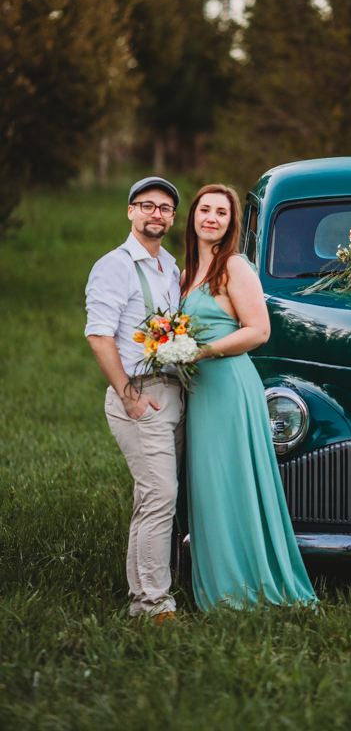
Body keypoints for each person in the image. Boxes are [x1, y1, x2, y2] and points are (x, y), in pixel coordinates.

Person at [181, 183, 317, 610]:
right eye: (205, 209)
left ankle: (242, 585)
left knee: (231, 482)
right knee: (207, 486)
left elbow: (259, 331)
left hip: (229, 387)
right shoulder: (187, 273)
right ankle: (215, 576)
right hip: (199, 392)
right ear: (193, 216)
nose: (212, 218)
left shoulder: (235, 267)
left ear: (231, 224)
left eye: (222, 213)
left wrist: (202, 350)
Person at [85, 177, 185, 623]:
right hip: (140, 396)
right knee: (160, 494)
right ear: (130, 211)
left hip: (174, 392)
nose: (156, 214)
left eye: (165, 208)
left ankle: (151, 586)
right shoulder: (115, 265)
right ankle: (150, 604)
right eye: (147, 205)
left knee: (154, 498)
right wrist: (128, 397)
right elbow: (98, 335)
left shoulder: (171, 267)